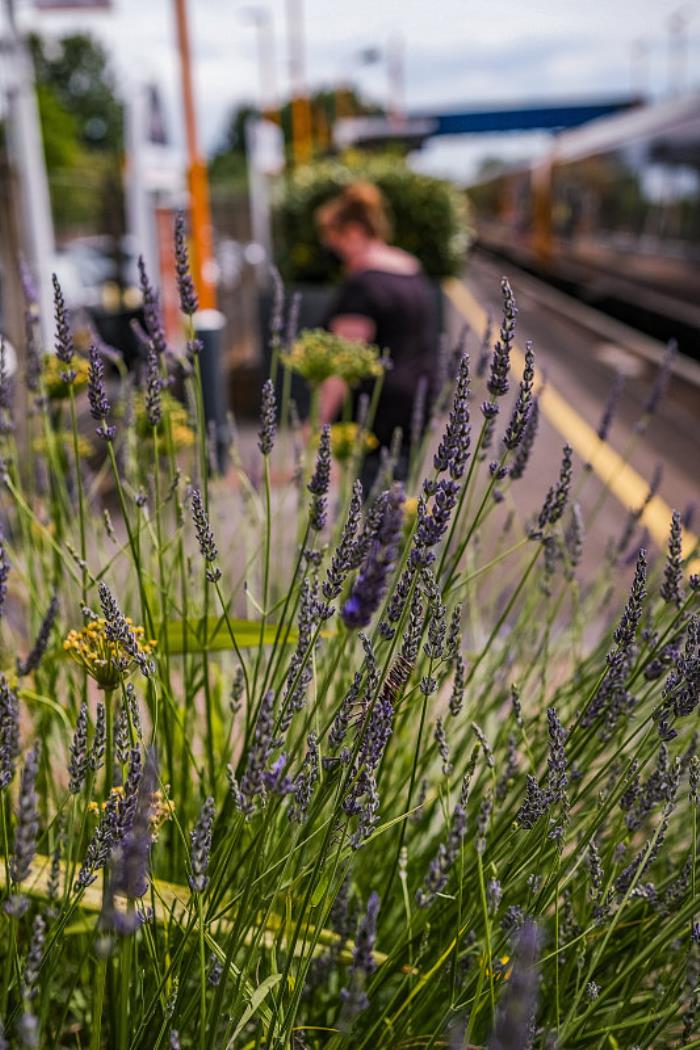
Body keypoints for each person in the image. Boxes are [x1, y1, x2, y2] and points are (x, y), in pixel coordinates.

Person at [315, 181, 439, 489]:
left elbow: (344, 363)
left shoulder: (364, 285)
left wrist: (318, 423)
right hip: (418, 401)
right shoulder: (411, 267)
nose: (337, 254)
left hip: (377, 414)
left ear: (354, 232)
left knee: (374, 508)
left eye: (336, 243)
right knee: (399, 494)